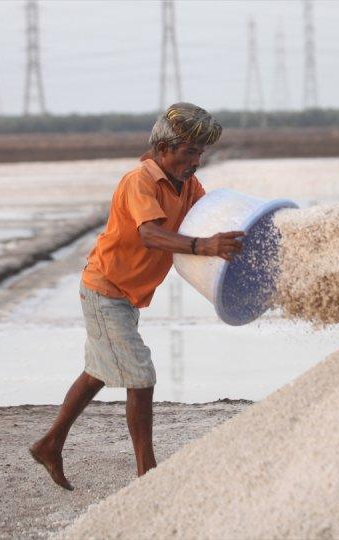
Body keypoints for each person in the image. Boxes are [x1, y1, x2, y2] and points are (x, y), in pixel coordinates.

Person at [29, 103, 244, 490]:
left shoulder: (188, 186)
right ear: (163, 148)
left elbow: (210, 218)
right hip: (105, 289)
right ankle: (148, 475)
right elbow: (150, 234)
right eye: (189, 152)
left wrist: (241, 237)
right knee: (141, 376)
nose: (196, 162)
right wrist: (204, 246)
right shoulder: (139, 181)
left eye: (200, 153)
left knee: (98, 372)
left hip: (126, 295)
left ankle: (49, 445)